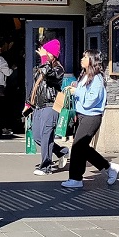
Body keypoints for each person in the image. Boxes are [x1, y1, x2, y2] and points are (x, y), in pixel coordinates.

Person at [60, 50, 119, 188]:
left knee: (77, 146)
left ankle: (75, 178)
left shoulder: (97, 78)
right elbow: (83, 95)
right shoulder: (85, 75)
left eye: (85, 57)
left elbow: (91, 100)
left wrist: (77, 92)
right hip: (82, 115)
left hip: (91, 116)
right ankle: (109, 167)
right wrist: (74, 89)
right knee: (81, 147)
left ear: (92, 60)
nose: (82, 59)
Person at [28, 39, 69, 175]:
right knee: (37, 137)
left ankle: (46, 167)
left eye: (46, 52)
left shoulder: (58, 69)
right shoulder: (41, 67)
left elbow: (49, 75)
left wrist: (44, 59)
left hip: (51, 106)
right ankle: (61, 151)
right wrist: (29, 103)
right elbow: (35, 86)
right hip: (38, 106)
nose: (42, 53)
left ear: (52, 54)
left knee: (46, 136)